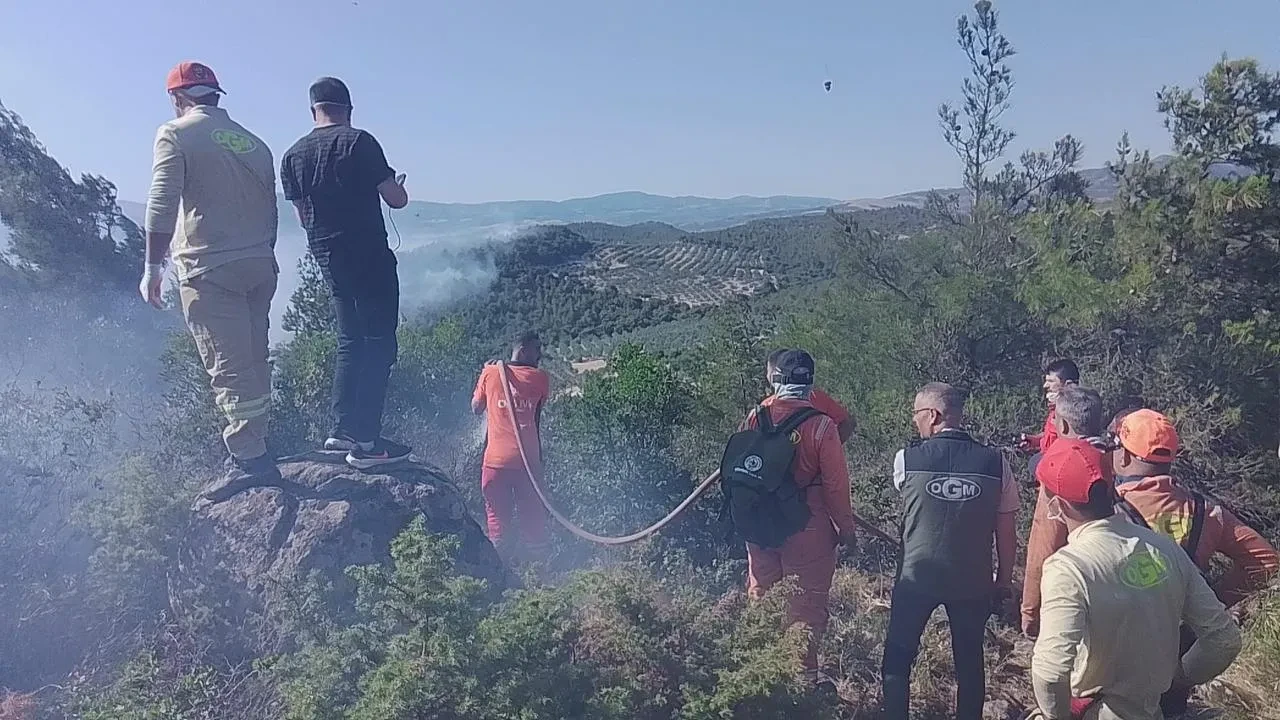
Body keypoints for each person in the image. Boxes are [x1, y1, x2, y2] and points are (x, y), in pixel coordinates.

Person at [1029, 438, 1241, 720]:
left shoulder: (1068, 568)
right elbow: (1224, 639)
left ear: (1056, 504)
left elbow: (1050, 672)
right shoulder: (1165, 549)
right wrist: (1179, 677)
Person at [141, 61, 280, 484]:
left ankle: (250, 460)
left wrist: (152, 267)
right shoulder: (256, 144)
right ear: (217, 95)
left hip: (209, 267)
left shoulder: (175, 134)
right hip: (259, 264)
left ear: (177, 98)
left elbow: (162, 203)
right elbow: (270, 210)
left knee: (230, 369)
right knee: (255, 360)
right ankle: (258, 443)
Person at [1110, 408, 1279, 715]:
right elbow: (1265, 560)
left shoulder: (1107, 508)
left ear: (1123, 456)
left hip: (1118, 641)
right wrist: (1210, 598)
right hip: (1179, 640)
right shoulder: (1205, 511)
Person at [280, 77, 412, 469]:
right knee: (380, 344)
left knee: (349, 341)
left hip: (328, 257)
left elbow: (303, 217)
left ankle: (340, 432)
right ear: (348, 108)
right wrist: (397, 185)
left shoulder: (291, 156)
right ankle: (368, 443)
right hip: (368, 253)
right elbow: (396, 199)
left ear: (313, 111)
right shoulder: (359, 142)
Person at [881, 382, 1019, 720]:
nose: (915, 422)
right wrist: (1002, 580)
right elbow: (1006, 531)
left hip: (917, 578)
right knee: (970, 663)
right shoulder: (995, 463)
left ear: (933, 415)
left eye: (916, 415)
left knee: (897, 659)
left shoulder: (906, 460)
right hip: (973, 582)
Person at [741, 349, 858, 686]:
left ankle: (759, 681)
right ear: (809, 381)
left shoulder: (755, 417)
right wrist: (846, 530)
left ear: (775, 379)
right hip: (807, 530)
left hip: (761, 528)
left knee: (762, 596)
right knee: (804, 609)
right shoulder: (822, 426)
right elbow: (836, 487)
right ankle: (802, 689)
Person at [1021, 385, 1108, 637]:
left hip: (1069, 590)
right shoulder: (1117, 460)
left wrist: (1030, 612)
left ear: (1064, 426)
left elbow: (1043, 545)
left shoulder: (1058, 469)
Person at [472, 332, 552, 565]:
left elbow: (476, 408)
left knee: (497, 519)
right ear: (524, 350)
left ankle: (499, 572)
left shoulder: (490, 372)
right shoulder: (540, 378)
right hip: (527, 463)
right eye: (537, 350)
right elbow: (536, 417)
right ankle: (539, 574)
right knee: (533, 517)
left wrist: (485, 375)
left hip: (495, 463)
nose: (540, 356)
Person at [764, 349, 856, 444]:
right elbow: (847, 422)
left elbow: (847, 423)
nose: (767, 376)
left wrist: (829, 446)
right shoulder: (817, 397)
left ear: (776, 373)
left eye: (768, 371)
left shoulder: (764, 409)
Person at [1021, 359, 1081, 464]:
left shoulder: (1076, 411)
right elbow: (1051, 438)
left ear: (1068, 384)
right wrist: (1034, 441)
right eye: (1046, 381)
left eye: (1051, 381)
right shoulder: (1055, 409)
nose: (1045, 386)